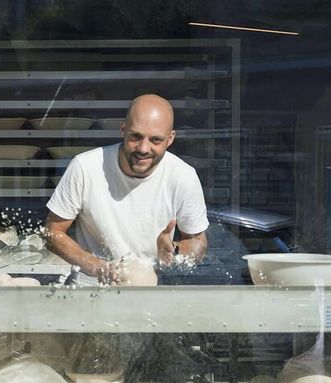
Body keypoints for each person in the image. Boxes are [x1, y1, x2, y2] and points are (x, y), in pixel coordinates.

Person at [44, 94, 209, 284]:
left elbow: (198, 242)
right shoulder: (85, 167)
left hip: (149, 288)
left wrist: (175, 249)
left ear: (170, 139)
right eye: (136, 136)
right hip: (90, 290)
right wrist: (94, 265)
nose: (143, 148)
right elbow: (52, 231)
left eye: (155, 140)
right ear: (123, 129)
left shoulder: (183, 176)